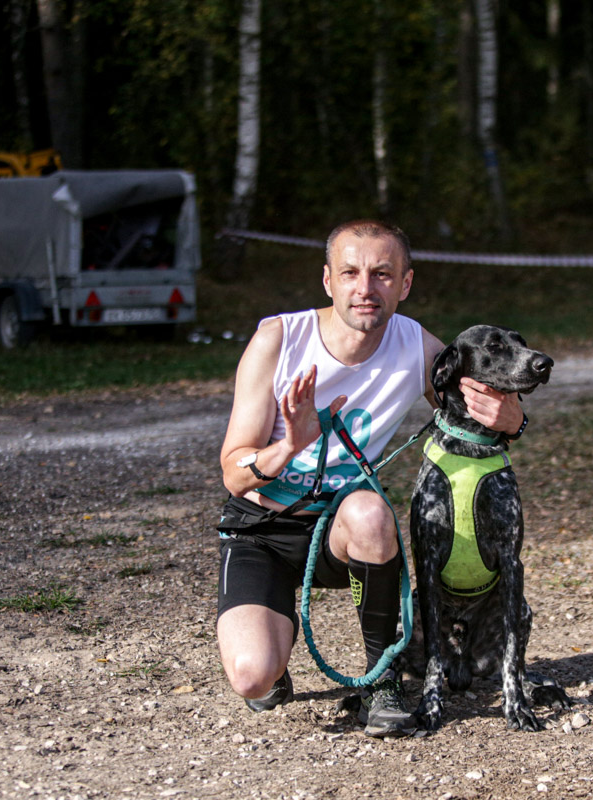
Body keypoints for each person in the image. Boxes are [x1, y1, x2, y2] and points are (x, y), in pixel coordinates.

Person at [214, 220, 527, 738]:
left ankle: (382, 680)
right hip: (263, 529)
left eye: (383, 274)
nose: (366, 288)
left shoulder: (414, 345)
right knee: (252, 677)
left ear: (404, 284)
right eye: (351, 272)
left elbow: (475, 407)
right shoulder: (279, 340)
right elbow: (233, 473)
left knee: (369, 509)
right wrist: (290, 443)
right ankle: (273, 639)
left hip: (343, 530)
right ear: (327, 280)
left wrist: (513, 419)